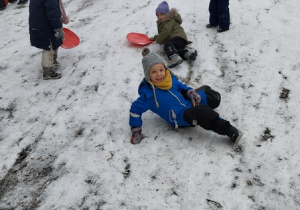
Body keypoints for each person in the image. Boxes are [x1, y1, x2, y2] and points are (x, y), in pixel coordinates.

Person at [129, 48, 243, 145]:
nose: (159, 74)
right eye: (153, 72)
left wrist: (190, 92)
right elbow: (135, 110)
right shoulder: (148, 95)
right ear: (148, 75)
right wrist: (136, 130)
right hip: (180, 116)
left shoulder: (169, 79)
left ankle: (203, 99)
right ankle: (229, 130)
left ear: (165, 69)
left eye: (161, 70)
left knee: (213, 97)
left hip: (189, 102)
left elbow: (181, 86)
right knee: (202, 112)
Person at [150, 1, 198, 68]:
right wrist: (154, 37)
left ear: (167, 14)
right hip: (180, 40)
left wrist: (158, 40)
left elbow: (165, 32)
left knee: (168, 44)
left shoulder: (168, 21)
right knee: (177, 50)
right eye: (157, 15)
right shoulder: (164, 22)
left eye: (162, 14)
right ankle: (187, 54)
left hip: (178, 37)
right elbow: (164, 34)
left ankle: (174, 58)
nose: (159, 17)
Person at [29, 0, 65, 80]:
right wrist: (58, 27)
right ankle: (47, 72)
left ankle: (52, 61)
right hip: (45, 25)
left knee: (55, 41)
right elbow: (52, 12)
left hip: (41, 23)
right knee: (49, 46)